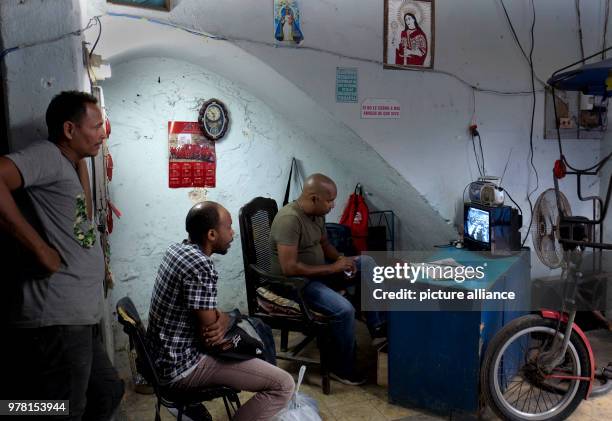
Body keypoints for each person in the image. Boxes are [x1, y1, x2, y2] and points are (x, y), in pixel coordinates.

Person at [0, 91, 124, 419]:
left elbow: (82, 220)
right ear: (69, 130)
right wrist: (40, 250)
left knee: (107, 391)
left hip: (77, 318)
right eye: (96, 126)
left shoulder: (69, 165)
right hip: (57, 318)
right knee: (64, 409)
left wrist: (83, 158)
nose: (103, 133)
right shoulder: (48, 156)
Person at [146, 201, 294, 421]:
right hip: (183, 367)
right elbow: (211, 338)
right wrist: (226, 319)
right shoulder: (200, 265)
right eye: (229, 227)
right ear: (212, 234)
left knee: (251, 324)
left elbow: (207, 314)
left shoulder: (177, 250)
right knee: (283, 384)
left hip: (163, 358)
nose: (233, 233)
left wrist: (225, 318)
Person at [270, 173, 386, 386]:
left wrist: (342, 260)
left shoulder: (317, 214)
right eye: (330, 200)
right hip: (296, 283)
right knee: (344, 310)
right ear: (314, 198)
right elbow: (289, 268)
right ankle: (342, 369)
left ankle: (377, 327)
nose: (333, 205)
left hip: (319, 271)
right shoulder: (289, 219)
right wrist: (333, 268)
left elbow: (325, 245)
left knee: (367, 262)